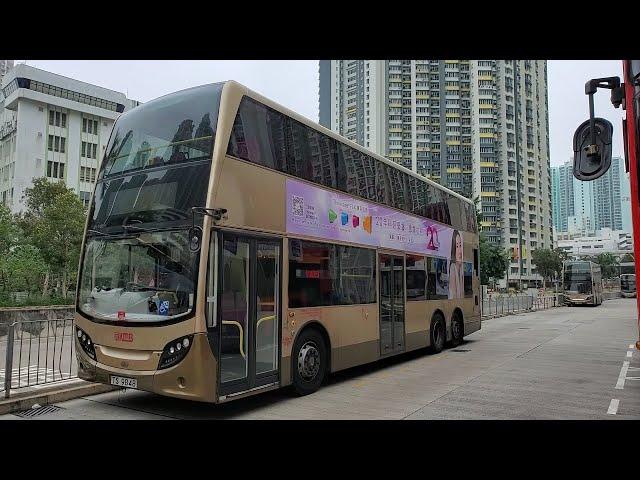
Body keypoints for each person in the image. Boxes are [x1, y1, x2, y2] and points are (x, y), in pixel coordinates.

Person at [449, 230, 464, 299]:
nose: (460, 251)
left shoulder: (461, 269)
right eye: (457, 246)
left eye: (460, 245)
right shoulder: (453, 268)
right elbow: (454, 296)